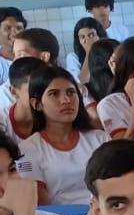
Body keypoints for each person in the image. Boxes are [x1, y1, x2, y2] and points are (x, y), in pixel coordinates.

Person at [22, 65, 106, 206]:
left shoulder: (99, 138)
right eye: (54, 94)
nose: (66, 100)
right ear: (37, 104)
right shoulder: (26, 150)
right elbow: (40, 206)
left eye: (71, 92)